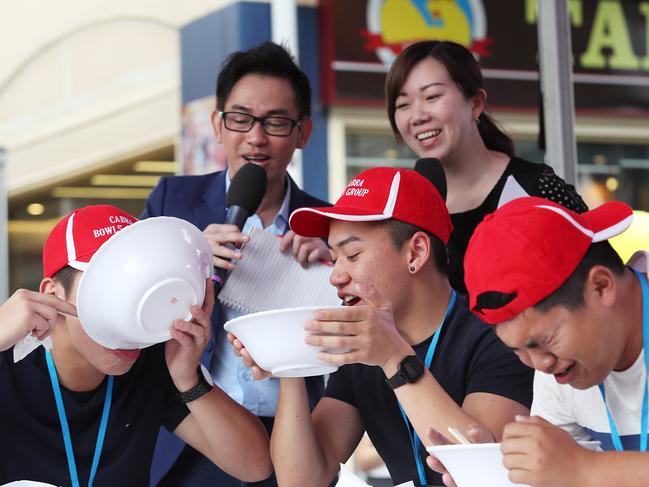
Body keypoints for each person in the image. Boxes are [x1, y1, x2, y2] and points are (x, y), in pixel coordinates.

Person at [230, 166, 533, 486]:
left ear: (415, 252)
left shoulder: (498, 335)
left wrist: (394, 359)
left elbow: (483, 473)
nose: (336, 276)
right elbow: (302, 479)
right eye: (334, 258)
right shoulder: (363, 347)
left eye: (352, 254)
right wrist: (288, 361)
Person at [143, 41, 331, 486]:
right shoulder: (174, 201)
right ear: (218, 124)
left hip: (294, 439)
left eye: (276, 122)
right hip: (190, 434)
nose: (256, 137)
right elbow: (129, 313)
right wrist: (183, 258)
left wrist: (334, 276)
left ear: (303, 133)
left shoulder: (330, 224)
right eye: (241, 118)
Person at [0, 204, 271, 486]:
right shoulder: (8, 360)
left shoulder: (154, 363)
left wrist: (188, 378)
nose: (127, 323)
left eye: (137, 291)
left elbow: (255, 466)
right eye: (109, 293)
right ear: (53, 293)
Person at [459, 196, 649, 486]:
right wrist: (495, 472)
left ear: (601, 286)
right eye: (517, 350)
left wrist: (587, 469)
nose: (540, 364)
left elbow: (578, 472)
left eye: (543, 341)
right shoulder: (559, 371)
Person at [385, 40, 587, 294]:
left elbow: (599, 279)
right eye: (403, 104)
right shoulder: (398, 210)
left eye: (432, 96)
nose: (418, 116)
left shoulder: (536, 187)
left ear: (476, 103)